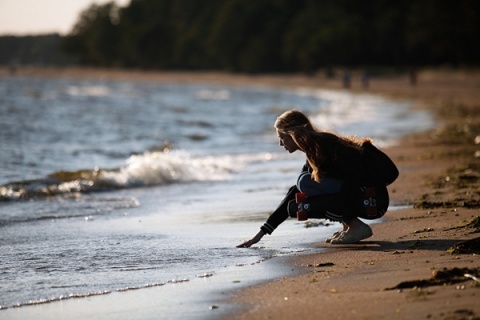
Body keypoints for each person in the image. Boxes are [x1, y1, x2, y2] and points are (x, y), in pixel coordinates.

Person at [237, 109, 396, 248]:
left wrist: (344, 212)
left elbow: (354, 179)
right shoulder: (314, 150)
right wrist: (260, 235)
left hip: (373, 201)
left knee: (304, 184)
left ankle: (355, 226)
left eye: (282, 137)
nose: (280, 143)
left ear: (293, 133)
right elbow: (295, 192)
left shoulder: (324, 146)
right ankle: (350, 226)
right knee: (296, 200)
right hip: (365, 199)